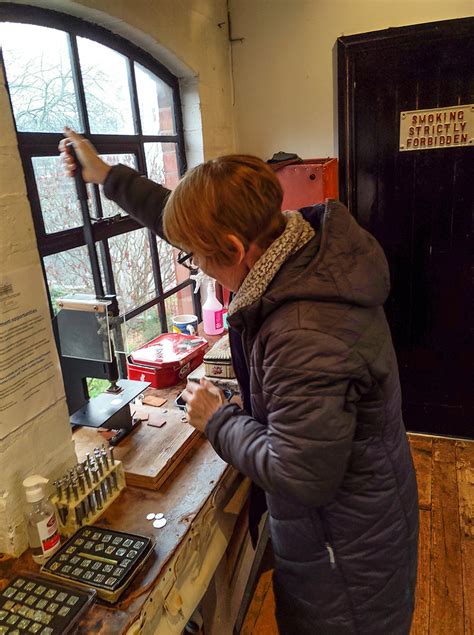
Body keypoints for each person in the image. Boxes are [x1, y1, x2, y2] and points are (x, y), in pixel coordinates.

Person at [60, 129, 419, 634]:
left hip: (346, 558)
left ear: (233, 247)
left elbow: (302, 474)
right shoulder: (302, 248)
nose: (196, 267)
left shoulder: (304, 331)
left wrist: (218, 419)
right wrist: (106, 176)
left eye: (194, 258)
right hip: (356, 521)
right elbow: (183, 220)